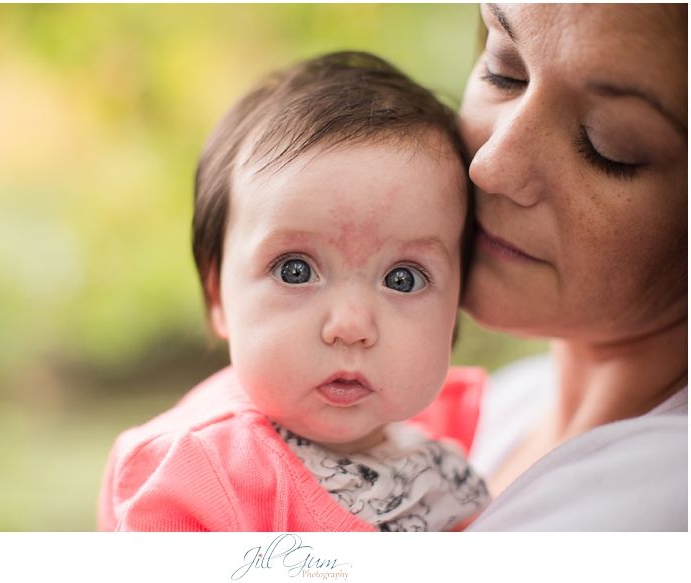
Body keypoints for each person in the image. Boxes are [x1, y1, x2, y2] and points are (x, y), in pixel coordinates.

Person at [97, 51, 490, 532]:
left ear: (456, 306)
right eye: (295, 270)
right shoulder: (202, 473)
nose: (351, 325)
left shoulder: (442, 455)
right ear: (219, 295)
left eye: (402, 278)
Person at [458, 4, 687, 530]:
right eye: (504, 68)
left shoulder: (656, 508)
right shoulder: (510, 400)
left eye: (608, 145)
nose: (491, 165)